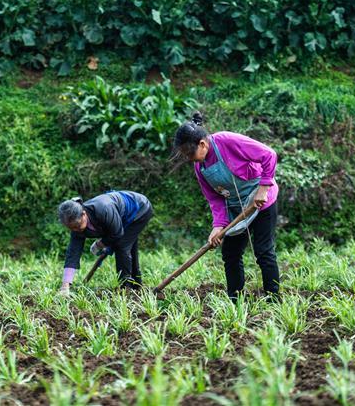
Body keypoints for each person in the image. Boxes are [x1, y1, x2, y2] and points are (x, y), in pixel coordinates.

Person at [173, 112, 280, 301]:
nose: (190, 159)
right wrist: (218, 226)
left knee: (263, 251)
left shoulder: (227, 141)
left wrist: (263, 189)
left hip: (261, 201)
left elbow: (269, 155)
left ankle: (274, 298)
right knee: (230, 254)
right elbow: (215, 199)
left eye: (190, 154)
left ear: (202, 144)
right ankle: (235, 300)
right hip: (237, 208)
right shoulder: (201, 167)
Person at [57, 190, 153, 295]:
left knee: (122, 246)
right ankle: (137, 284)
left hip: (139, 209)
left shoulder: (103, 209)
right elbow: (73, 253)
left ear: (84, 214)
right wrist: (65, 285)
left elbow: (117, 234)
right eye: (72, 228)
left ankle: (126, 288)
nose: (76, 230)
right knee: (128, 246)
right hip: (121, 218)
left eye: (78, 225)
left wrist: (100, 244)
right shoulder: (76, 227)